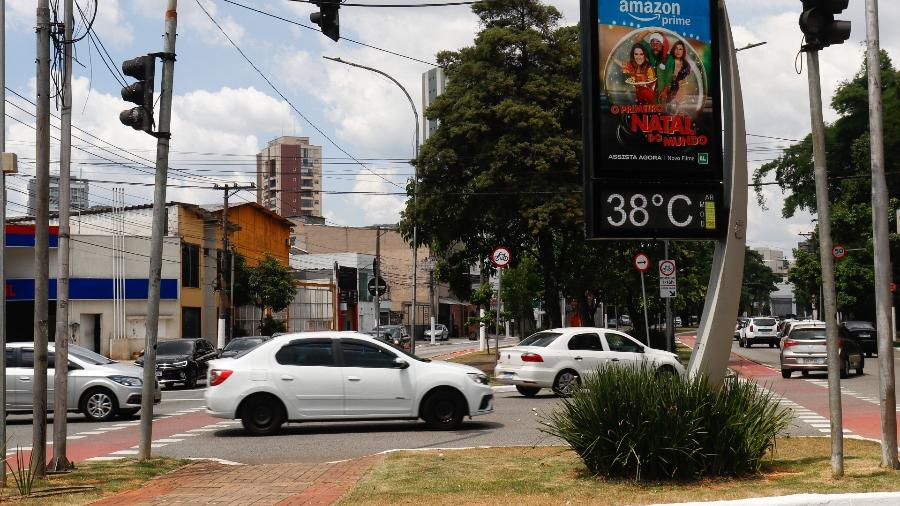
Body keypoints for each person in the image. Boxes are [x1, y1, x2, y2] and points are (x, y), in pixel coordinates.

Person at [659, 40, 693, 105]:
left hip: (676, 93)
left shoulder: (686, 66)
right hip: (663, 88)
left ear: (683, 51)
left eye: (680, 49)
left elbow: (683, 84)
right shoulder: (668, 59)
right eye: (676, 48)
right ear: (673, 49)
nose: (678, 51)